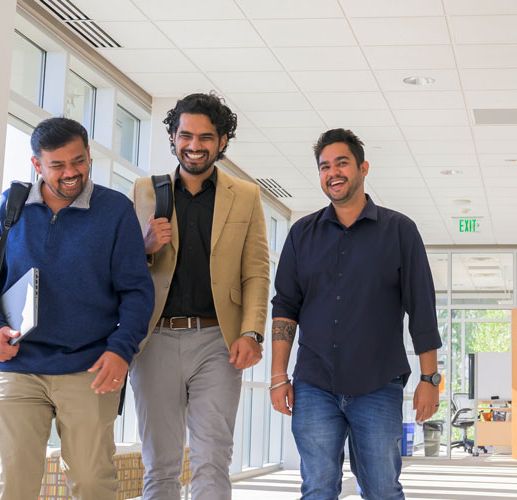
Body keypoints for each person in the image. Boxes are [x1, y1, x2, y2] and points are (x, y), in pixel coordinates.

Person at [0, 117, 153, 500]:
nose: (72, 173)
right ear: (36, 165)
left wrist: (121, 349)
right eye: (58, 165)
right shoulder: (10, 204)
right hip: (16, 366)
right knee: (10, 485)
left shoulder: (114, 210)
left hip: (89, 366)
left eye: (79, 161)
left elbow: (136, 291)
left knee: (92, 482)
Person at [268, 128, 441, 500]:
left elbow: (421, 308)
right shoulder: (302, 233)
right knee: (316, 488)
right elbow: (285, 307)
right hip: (314, 383)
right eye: (324, 166)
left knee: (382, 490)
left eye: (342, 162)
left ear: (363, 168)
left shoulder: (400, 231)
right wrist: (278, 376)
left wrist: (430, 377)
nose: (333, 172)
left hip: (378, 383)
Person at [130, 92, 271, 500]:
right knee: (160, 463)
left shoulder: (246, 196)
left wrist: (252, 333)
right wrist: (143, 247)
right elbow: (122, 270)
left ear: (222, 141)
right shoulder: (144, 190)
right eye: (185, 135)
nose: (194, 146)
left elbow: (257, 272)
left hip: (217, 342)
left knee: (213, 459)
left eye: (205, 137)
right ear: (172, 137)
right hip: (154, 338)